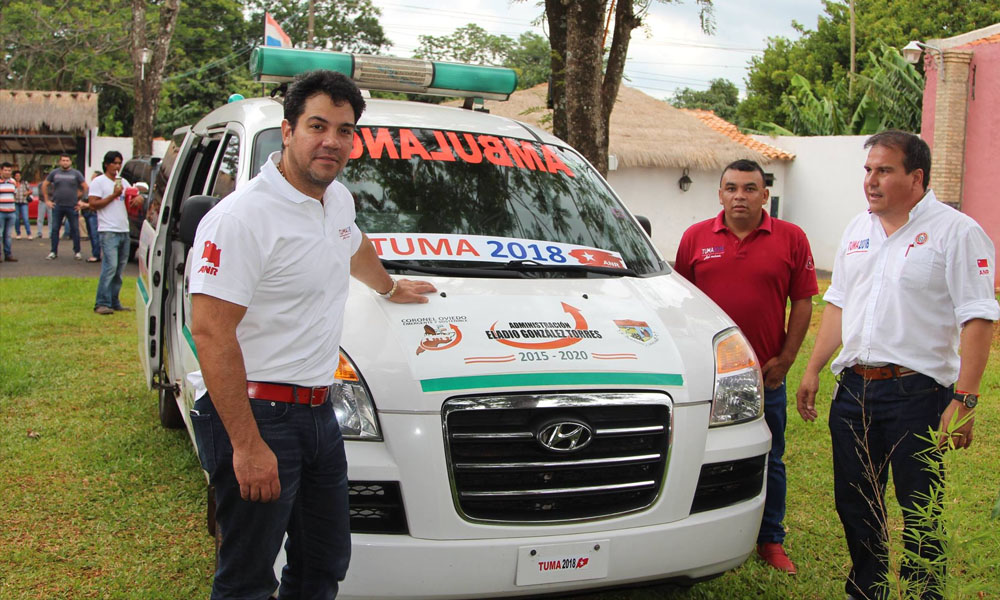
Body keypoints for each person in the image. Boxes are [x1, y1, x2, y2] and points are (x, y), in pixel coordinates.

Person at [188, 69, 437, 600]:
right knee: (248, 576)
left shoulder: (336, 200)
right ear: (287, 130)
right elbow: (210, 333)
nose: (331, 141)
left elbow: (352, 245)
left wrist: (390, 286)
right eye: (317, 125)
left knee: (323, 563)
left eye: (344, 130)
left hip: (320, 414)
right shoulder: (242, 218)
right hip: (256, 413)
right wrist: (247, 445)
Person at [796, 131, 998, 600]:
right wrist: (813, 368)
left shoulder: (958, 232)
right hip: (853, 391)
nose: (871, 181)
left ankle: (925, 591)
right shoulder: (857, 230)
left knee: (919, 503)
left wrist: (965, 398)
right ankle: (868, 589)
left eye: (884, 170)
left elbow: (978, 319)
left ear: (916, 177)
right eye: (868, 170)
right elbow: (839, 304)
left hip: (917, 394)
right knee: (855, 500)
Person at [674, 159, 817, 574]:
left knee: (771, 455)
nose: (740, 196)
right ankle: (700, 536)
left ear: (764, 194)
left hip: (765, 376)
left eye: (750, 188)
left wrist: (787, 360)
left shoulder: (791, 238)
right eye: (732, 188)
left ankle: (770, 539)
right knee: (698, 456)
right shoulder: (695, 238)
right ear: (719, 194)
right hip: (709, 379)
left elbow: (804, 301)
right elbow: (679, 303)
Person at [88, 151, 139, 314]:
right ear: (107, 164)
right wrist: (113, 195)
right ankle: (101, 302)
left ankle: (114, 300)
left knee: (119, 269)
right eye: (115, 163)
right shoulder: (99, 182)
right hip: (108, 229)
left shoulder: (123, 182)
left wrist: (138, 200)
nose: (117, 167)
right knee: (110, 266)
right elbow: (93, 204)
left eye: (119, 163)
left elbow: (130, 201)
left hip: (123, 228)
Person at [42, 154, 87, 260]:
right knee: (55, 229)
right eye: (63, 160)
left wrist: (81, 200)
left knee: (75, 229)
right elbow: (45, 185)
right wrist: (47, 200)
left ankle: (77, 252)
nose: (65, 162)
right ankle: (53, 251)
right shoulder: (54, 173)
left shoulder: (76, 173)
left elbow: (85, 186)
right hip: (57, 205)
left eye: (67, 160)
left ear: (70, 162)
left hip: (72, 206)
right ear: (60, 162)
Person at [79, 170, 104, 263]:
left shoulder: (102, 189)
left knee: (95, 234)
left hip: (94, 213)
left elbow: (98, 202)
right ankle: (95, 253)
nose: (92, 181)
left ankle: (96, 255)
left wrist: (85, 205)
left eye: (94, 179)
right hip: (87, 213)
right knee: (91, 234)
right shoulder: (90, 189)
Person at [0, 163, 17, 262]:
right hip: (0, 212)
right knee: (0, 234)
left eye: (9, 170)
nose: (7, 172)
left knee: (8, 235)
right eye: (5, 170)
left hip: (11, 212)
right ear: (1, 171)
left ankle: (8, 254)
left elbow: (14, 195)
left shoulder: (13, 182)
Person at [13, 170, 33, 240]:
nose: (18, 177)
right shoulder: (13, 183)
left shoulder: (24, 183)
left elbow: (30, 191)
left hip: (24, 202)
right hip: (16, 202)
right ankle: (18, 233)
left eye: (19, 176)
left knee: (25, 218)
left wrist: (27, 193)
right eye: (16, 176)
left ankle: (29, 233)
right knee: (16, 219)